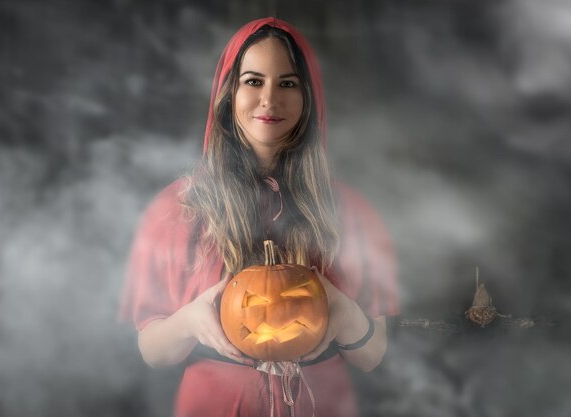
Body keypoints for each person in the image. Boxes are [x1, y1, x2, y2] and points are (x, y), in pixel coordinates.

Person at [120, 17, 399, 417]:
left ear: (309, 96)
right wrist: (189, 322)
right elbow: (152, 351)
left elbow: (373, 355)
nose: (270, 99)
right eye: (253, 81)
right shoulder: (177, 208)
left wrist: (343, 312)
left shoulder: (351, 211)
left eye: (287, 83)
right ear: (228, 93)